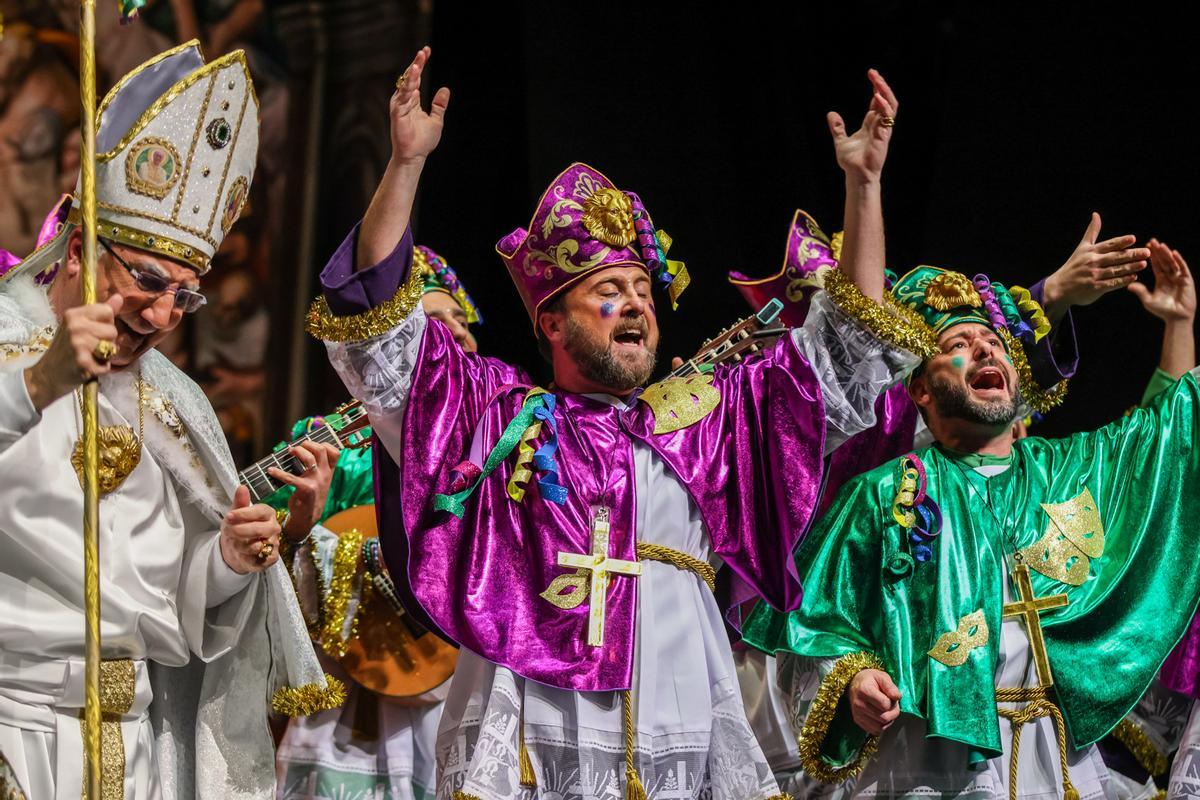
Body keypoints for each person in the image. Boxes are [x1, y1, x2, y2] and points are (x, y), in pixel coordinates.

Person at [309, 47, 927, 800]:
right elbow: (377, 320)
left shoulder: (711, 420)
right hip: (535, 708)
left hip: (683, 707)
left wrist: (864, 187)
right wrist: (404, 165)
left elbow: (847, 351)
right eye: (608, 290)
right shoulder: (496, 415)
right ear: (554, 324)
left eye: (642, 288)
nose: (637, 302)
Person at [0, 43, 340, 799]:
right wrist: (40, 384)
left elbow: (170, 604)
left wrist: (228, 560)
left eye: (183, 297)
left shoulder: (172, 401)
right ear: (82, 246)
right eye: (147, 281)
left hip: (134, 743)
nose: (159, 315)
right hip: (11, 724)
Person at [741, 248, 1200, 799]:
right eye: (957, 345)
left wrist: (1181, 324)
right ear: (920, 389)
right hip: (927, 767)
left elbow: (1170, 439)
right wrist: (854, 680)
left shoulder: (1071, 472)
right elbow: (812, 627)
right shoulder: (882, 495)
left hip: (1058, 764)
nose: (984, 347)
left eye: (995, 343)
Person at [275, 244, 482, 800]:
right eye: (435, 323)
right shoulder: (334, 449)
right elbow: (258, 561)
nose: (458, 335)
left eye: (463, 324)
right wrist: (315, 539)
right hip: (353, 699)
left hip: (466, 693)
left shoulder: (503, 445)